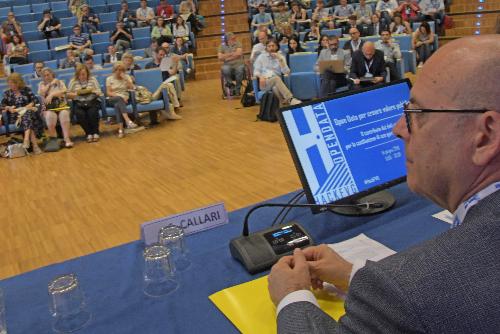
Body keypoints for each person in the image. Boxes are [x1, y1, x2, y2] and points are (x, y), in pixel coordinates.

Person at [268, 35, 500, 334]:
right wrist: (355, 276)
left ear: (486, 136)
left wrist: (293, 296)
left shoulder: (407, 287)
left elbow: (427, 295)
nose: (398, 129)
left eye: (416, 114)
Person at [1, 73, 44, 154]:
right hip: (16, 116)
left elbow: (35, 100)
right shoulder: (7, 93)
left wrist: (28, 106)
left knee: (27, 113)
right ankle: (34, 145)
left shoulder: (26, 90)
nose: (10, 85)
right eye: (9, 83)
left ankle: (28, 140)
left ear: (18, 83)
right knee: (28, 118)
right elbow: (2, 105)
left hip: (28, 113)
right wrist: (9, 108)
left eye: (12, 83)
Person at [253, 38, 301, 106]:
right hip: (265, 82)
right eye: (269, 46)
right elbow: (256, 71)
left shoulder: (281, 57)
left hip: (277, 82)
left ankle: (280, 104)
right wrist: (260, 77)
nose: (271, 48)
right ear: (266, 48)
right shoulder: (261, 57)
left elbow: (286, 72)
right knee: (276, 79)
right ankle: (290, 99)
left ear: (277, 47)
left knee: (275, 87)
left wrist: (280, 59)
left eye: (273, 46)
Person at [37, 68, 73, 148]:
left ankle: (67, 139)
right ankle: (54, 139)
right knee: (50, 115)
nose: (47, 77)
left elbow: (64, 92)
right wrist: (50, 84)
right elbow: (42, 93)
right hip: (47, 107)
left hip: (61, 105)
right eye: (44, 76)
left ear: (52, 74)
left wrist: (52, 95)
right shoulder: (41, 84)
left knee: (64, 114)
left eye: (48, 75)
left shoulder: (59, 82)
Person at [67, 64, 103, 143]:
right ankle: (88, 133)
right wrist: (78, 93)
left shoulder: (92, 79)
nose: (82, 76)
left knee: (92, 113)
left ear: (87, 73)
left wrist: (91, 91)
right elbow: (68, 94)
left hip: (91, 101)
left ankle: (96, 132)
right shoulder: (73, 81)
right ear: (77, 75)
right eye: (80, 75)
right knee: (80, 114)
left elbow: (99, 91)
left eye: (84, 74)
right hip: (79, 103)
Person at [144, 48, 183, 120]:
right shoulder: (148, 65)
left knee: (168, 85)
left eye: (164, 55)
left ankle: (170, 112)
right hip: (153, 91)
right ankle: (175, 107)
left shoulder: (165, 64)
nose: (162, 57)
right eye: (160, 55)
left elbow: (172, 72)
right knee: (169, 85)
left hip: (164, 89)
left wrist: (176, 63)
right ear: (156, 55)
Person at [106, 61, 139, 138]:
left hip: (124, 100)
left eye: (121, 70)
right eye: (117, 70)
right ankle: (128, 121)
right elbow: (108, 93)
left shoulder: (127, 77)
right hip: (112, 99)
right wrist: (120, 96)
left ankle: (121, 130)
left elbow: (133, 88)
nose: (119, 72)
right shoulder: (109, 79)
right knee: (118, 99)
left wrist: (126, 79)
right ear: (114, 70)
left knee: (117, 106)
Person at [218, 32, 245, 96]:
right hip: (227, 65)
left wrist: (226, 58)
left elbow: (239, 53)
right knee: (224, 69)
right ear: (228, 40)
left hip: (238, 64)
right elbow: (220, 57)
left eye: (235, 38)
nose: (235, 39)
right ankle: (231, 86)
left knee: (240, 69)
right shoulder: (221, 46)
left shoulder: (238, 44)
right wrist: (231, 54)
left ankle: (238, 89)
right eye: (233, 38)